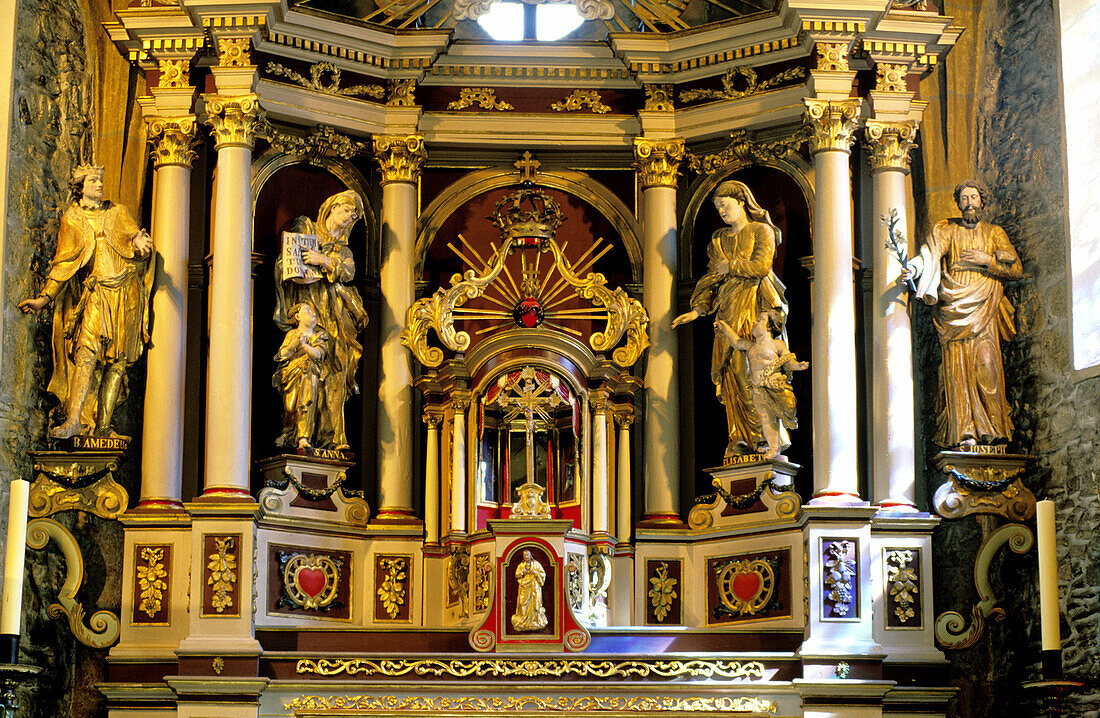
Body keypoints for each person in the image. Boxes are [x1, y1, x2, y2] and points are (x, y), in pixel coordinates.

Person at [18, 164, 154, 439]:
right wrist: (43, 299)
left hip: (125, 293)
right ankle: (73, 420)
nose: (99, 185)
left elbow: (136, 250)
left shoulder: (117, 212)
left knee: (118, 362)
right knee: (86, 353)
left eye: (100, 180)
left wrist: (141, 246)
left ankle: (104, 426)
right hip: (95, 294)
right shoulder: (72, 219)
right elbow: (64, 264)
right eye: (93, 180)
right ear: (80, 187)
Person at [672, 180, 788, 459]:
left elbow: (761, 267)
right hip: (726, 312)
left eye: (725, 205)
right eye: (717, 208)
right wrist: (698, 309)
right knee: (732, 376)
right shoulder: (717, 240)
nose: (722, 212)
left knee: (753, 372)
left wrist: (731, 266)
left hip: (753, 309)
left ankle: (763, 438)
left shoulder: (762, 231)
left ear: (741, 202)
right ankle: (739, 438)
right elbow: (711, 280)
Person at [901, 180, 1021, 447]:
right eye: (964, 198)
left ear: (982, 201)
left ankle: (994, 433)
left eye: (974, 197)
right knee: (957, 372)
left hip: (985, 308)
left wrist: (987, 261)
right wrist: (915, 268)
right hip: (954, 308)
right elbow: (931, 253)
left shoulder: (994, 233)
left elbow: (1015, 269)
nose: (969, 202)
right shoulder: (950, 231)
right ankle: (964, 433)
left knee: (987, 368)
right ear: (958, 203)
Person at [274, 190, 367, 451]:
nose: (351, 217)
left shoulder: (344, 250)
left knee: (336, 369)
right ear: (333, 207)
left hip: (336, 316)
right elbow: (285, 263)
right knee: (306, 370)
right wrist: (306, 269)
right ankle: (300, 434)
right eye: (348, 210)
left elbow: (348, 271)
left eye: (355, 215)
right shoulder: (306, 229)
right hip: (310, 309)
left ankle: (334, 438)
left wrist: (322, 260)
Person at [715, 311, 808, 459]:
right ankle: (773, 449)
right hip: (758, 389)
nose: (754, 323)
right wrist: (724, 326)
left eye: (759, 320)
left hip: (774, 386)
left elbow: (788, 360)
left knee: (780, 414)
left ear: (769, 327)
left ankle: (778, 443)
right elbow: (735, 341)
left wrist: (798, 366)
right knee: (765, 418)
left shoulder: (777, 344)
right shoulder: (750, 346)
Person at [273, 303, 332, 449]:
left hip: (310, 374)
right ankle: (289, 432)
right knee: (289, 406)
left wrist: (305, 346)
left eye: (313, 310)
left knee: (306, 403)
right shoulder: (292, 335)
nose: (313, 313)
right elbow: (282, 355)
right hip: (291, 376)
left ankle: (303, 437)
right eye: (308, 310)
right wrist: (293, 345)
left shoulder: (320, 335)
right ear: (298, 316)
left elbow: (319, 354)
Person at [511, 549, 548, 632]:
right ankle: (523, 620)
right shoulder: (521, 565)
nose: (526, 557)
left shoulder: (537, 564)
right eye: (525, 555)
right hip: (524, 587)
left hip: (534, 587)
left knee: (535, 603)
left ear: (530, 555)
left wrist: (535, 572)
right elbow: (517, 575)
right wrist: (522, 572)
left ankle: (534, 620)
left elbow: (542, 574)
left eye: (527, 555)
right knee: (522, 603)